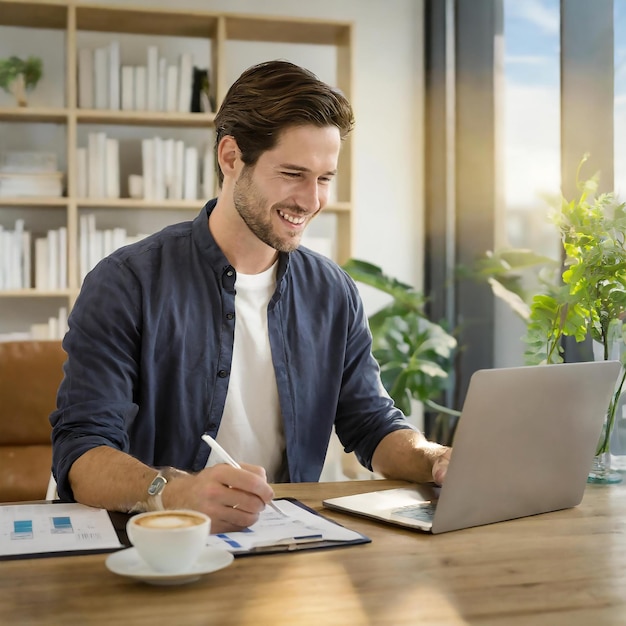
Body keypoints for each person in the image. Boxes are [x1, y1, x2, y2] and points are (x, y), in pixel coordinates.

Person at [50, 60, 450, 534]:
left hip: (287, 542)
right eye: (292, 173)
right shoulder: (127, 283)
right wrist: (174, 492)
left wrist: (437, 460)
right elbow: (81, 450)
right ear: (231, 157)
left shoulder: (332, 292)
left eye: (324, 178)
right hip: (159, 546)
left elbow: (372, 423)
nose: (310, 200)